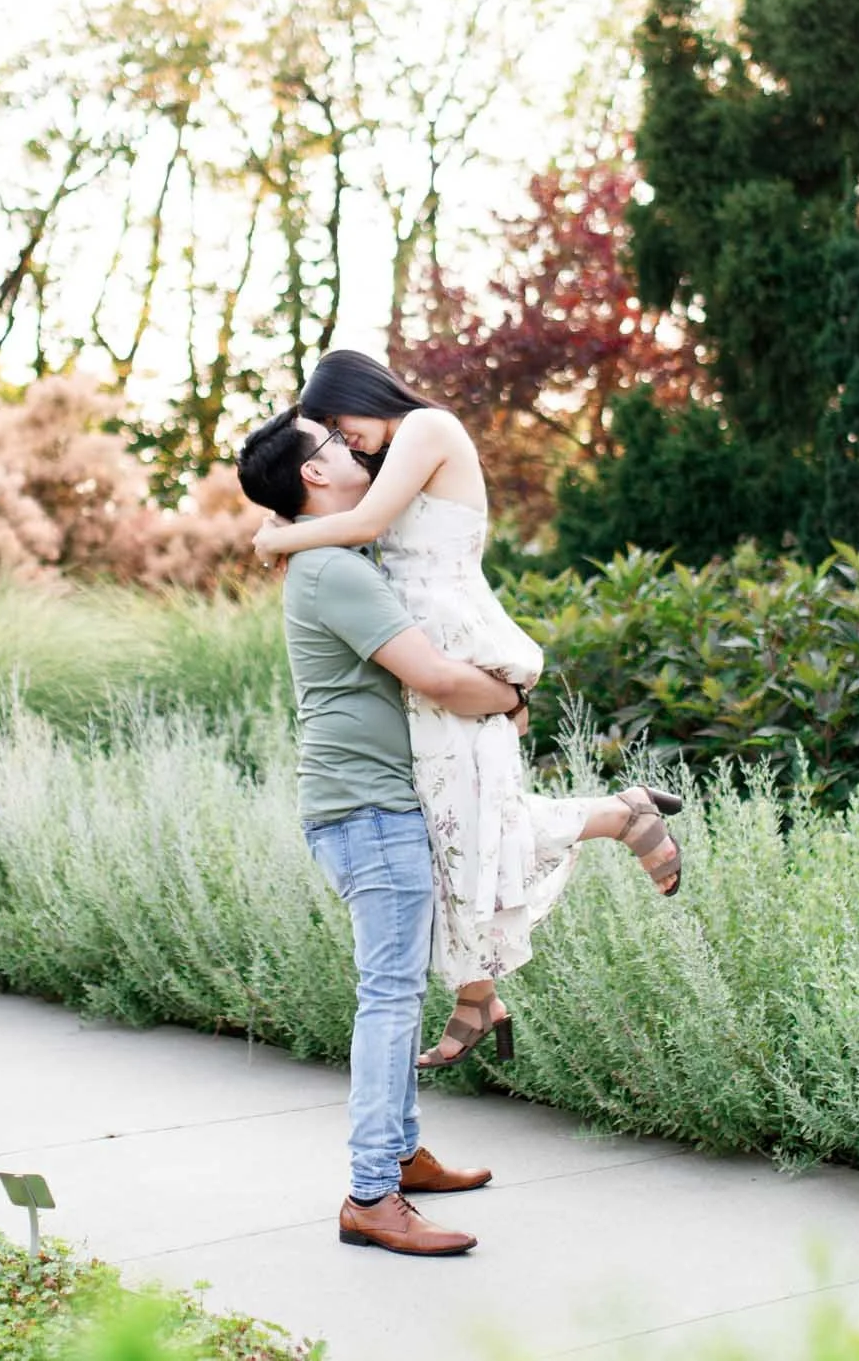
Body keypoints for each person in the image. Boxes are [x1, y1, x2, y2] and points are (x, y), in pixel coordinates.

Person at [250, 352, 684, 1070]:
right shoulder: (391, 453)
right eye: (328, 434)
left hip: (451, 642)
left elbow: (367, 519)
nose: (344, 439)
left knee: (476, 823)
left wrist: (276, 535)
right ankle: (476, 993)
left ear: (360, 393)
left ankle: (621, 814)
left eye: (338, 423)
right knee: (452, 825)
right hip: (424, 650)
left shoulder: (426, 426)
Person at [235, 406, 519, 1257]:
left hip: (362, 805)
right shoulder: (332, 568)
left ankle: (401, 1155)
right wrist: (513, 697)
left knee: (394, 992)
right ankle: (371, 1193)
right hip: (367, 810)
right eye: (336, 444)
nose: (361, 448)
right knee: (389, 999)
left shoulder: (330, 555)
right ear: (314, 475)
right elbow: (432, 676)